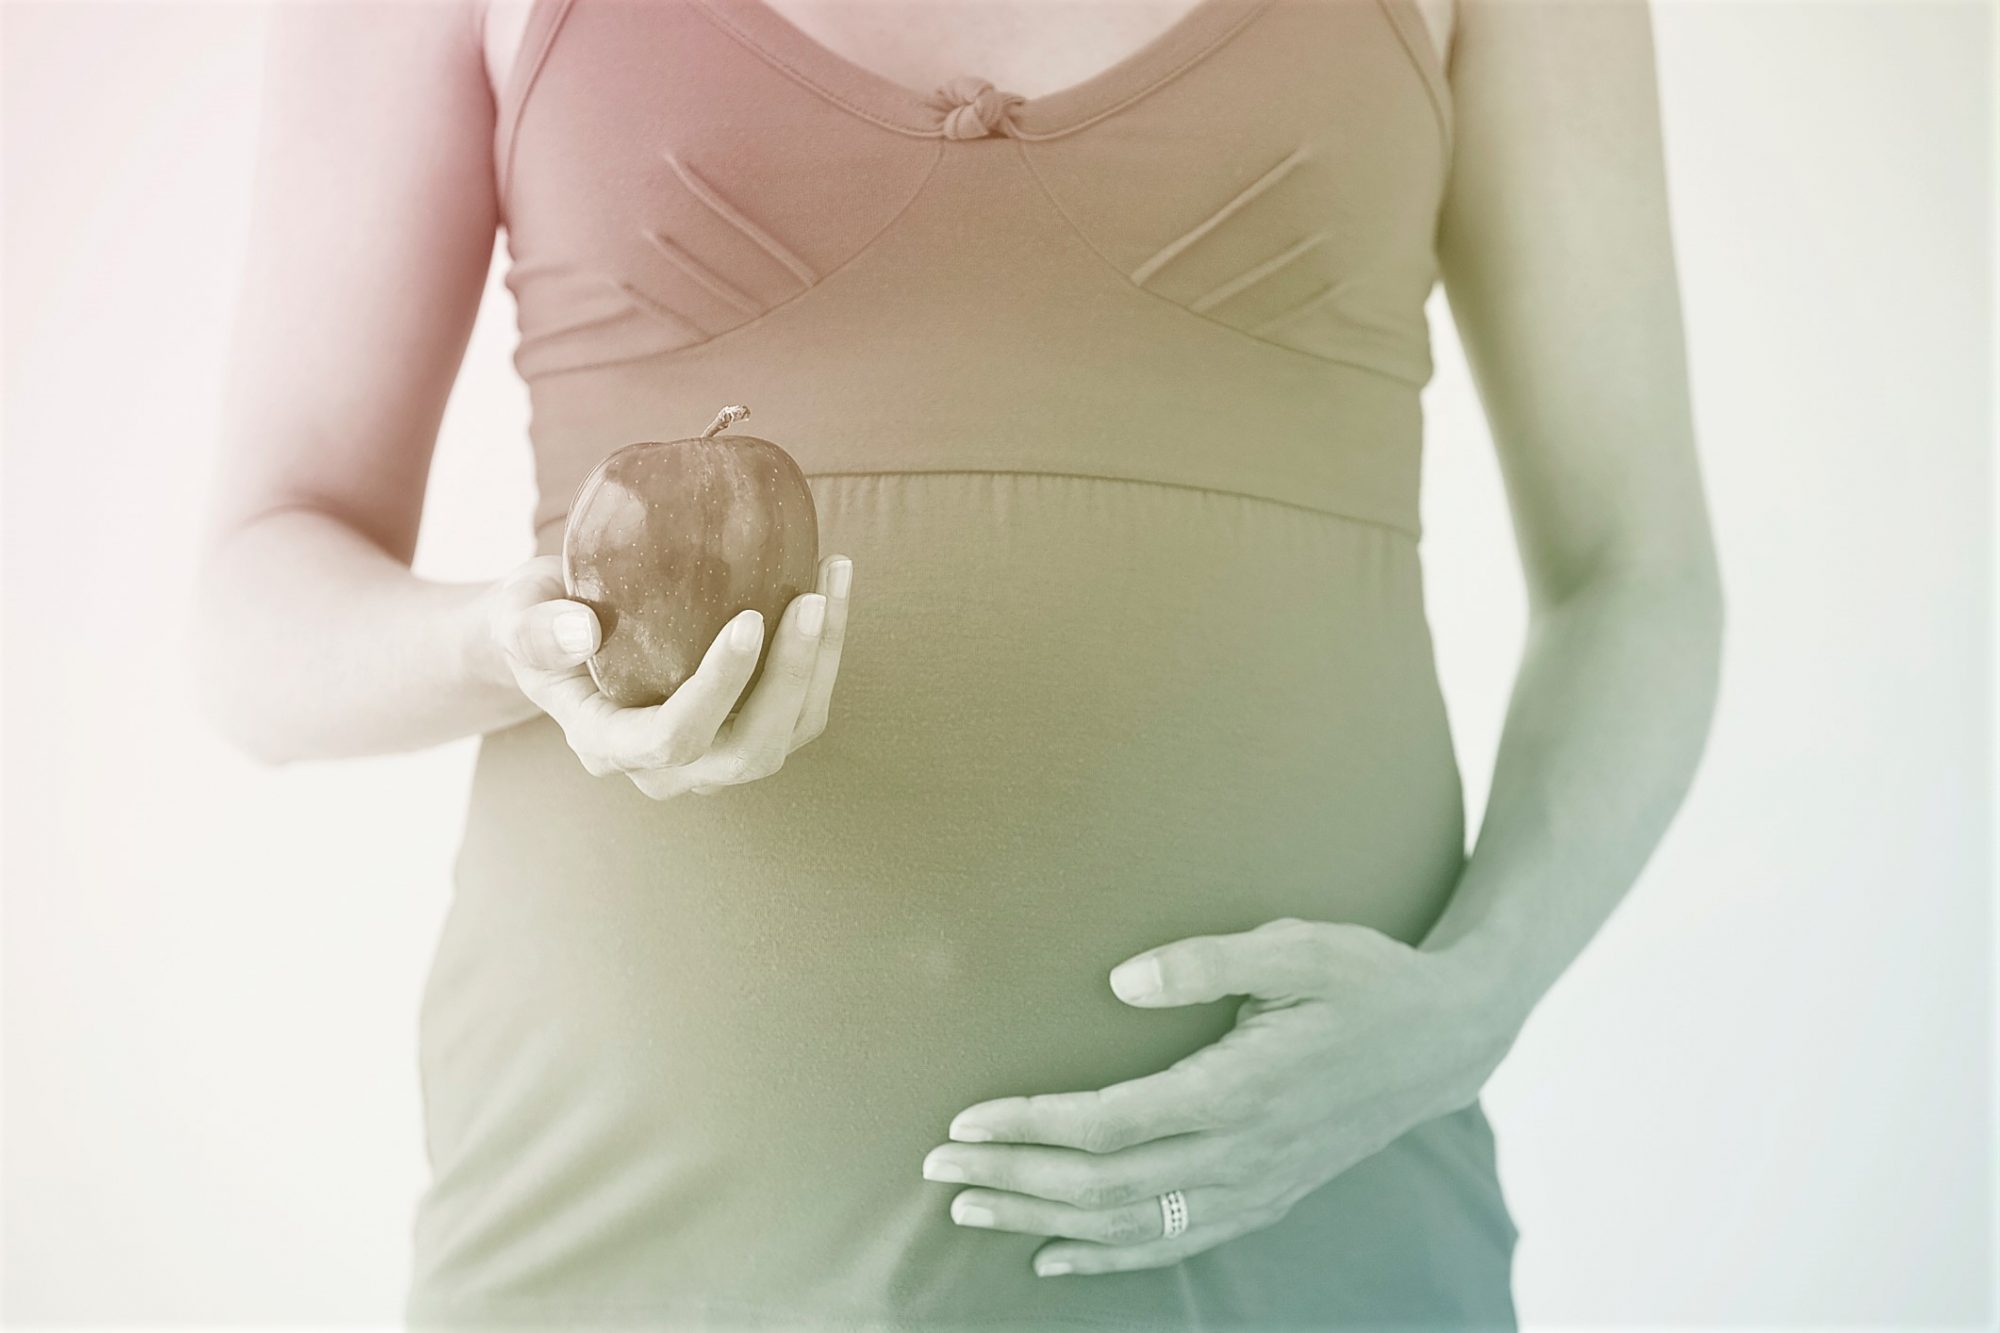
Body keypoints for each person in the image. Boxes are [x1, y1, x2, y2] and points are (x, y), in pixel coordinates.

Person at [192, 0, 1723, 1326]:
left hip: (1298, 1229)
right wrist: (502, 646)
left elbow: (1632, 577)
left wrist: (1473, 1004)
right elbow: (259, 608)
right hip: (632, 1243)